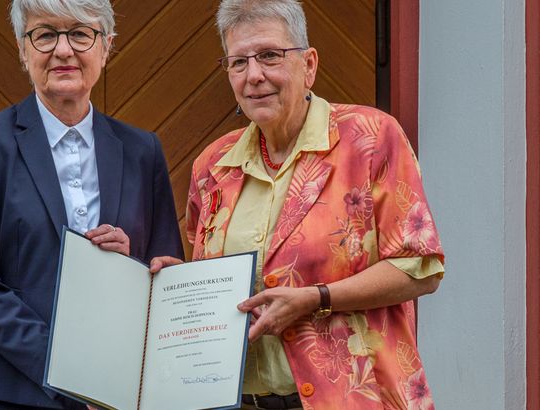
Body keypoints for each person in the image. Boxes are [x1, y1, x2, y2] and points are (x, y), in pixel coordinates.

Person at [150, 0, 445, 409]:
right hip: (240, 400)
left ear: (309, 64)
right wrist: (181, 287)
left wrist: (316, 297)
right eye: (238, 63)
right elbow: (221, 283)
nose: (254, 76)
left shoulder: (372, 138)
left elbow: (420, 268)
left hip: (352, 399)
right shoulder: (212, 166)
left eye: (270, 56)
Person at [0, 0, 184, 408]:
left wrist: (131, 266)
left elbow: (165, 274)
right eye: (45, 34)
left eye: (80, 33)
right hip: (8, 390)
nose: (64, 50)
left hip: (115, 394)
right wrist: (68, 369)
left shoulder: (143, 150)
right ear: (23, 49)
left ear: (106, 46)